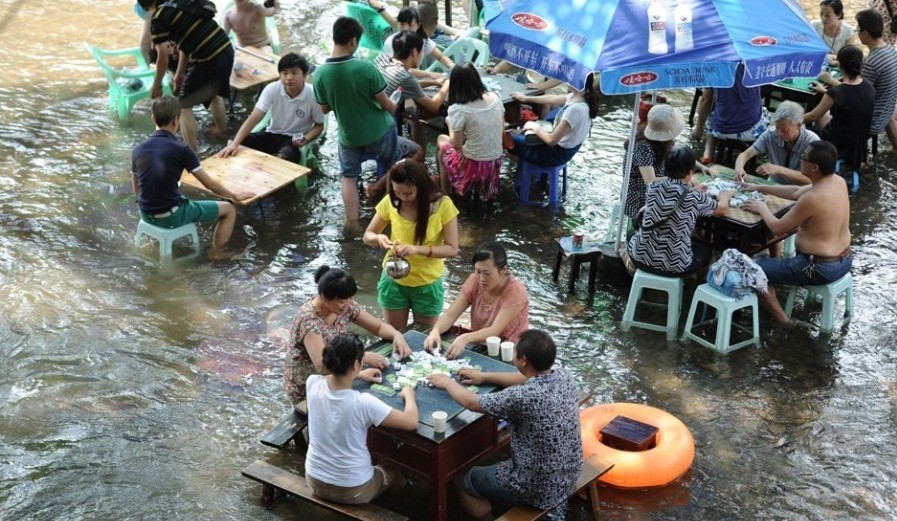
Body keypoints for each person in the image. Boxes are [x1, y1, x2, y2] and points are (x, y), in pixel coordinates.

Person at [427, 330, 582, 518]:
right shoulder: (565, 376)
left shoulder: (521, 396)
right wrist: (484, 376)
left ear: (523, 360)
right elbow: (524, 378)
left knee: (462, 478)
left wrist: (447, 382)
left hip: (535, 487)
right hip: (570, 472)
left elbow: (472, 403)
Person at [740, 140, 852, 326]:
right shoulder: (837, 181)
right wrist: (759, 188)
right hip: (844, 260)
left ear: (814, 167)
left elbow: (776, 228)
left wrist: (762, 208)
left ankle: (784, 321)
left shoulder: (813, 198)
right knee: (772, 264)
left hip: (817, 268)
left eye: (803, 158)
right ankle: (780, 284)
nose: (801, 160)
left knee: (753, 269)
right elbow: (796, 191)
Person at [131, 96, 253, 260]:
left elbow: (136, 189)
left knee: (179, 197)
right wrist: (234, 196)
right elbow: (209, 184)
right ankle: (217, 252)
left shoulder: (138, 149)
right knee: (229, 209)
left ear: (153, 118)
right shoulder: (181, 149)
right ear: (176, 120)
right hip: (170, 216)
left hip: (145, 213)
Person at [305, 334, 418, 504]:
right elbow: (411, 422)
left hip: (314, 481)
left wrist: (358, 375)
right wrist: (409, 396)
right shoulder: (362, 402)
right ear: (356, 364)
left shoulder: (312, 383)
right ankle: (410, 501)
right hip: (352, 490)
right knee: (392, 470)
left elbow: (330, 379)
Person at [285, 266, 412, 410]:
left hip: (339, 371)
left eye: (351, 298)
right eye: (342, 301)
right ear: (324, 297)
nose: (348, 304)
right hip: (309, 386)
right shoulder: (308, 320)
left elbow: (378, 327)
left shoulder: (346, 306)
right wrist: (361, 362)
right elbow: (322, 366)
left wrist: (396, 334)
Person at [314, 17, 401, 222]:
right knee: (392, 167)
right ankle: (390, 215)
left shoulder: (319, 74)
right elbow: (386, 105)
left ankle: (352, 223)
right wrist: (395, 103)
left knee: (349, 177)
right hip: (379, 131)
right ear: (353, 41)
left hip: (349, 136)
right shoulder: (366, 68)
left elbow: (324, 109)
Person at [362, 160, 460, 330]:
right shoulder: (391, 201)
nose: (402, 198)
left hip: (427, 284)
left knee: (424, 338)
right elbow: (367, 235)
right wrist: (378, 239)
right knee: (394, 336)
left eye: (408, 193)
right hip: (394, 280)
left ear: (420, 187)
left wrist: (417, 250)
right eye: (397, 192)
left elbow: (452, 249)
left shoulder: (442, 205)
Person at [138, 0, 233, 151]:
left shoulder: (159, 17)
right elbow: (186, 42)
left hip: (207, 57)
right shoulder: (178, 3)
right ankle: (221, 131)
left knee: (183, 106)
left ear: (149, 7)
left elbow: (162, 59)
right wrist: (180, 75)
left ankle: (191, 154)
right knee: (213, 92)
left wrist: (157, 86)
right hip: (225, 49)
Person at [628, 147, 732, 276]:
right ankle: (695, 283)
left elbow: (673, 192)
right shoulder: (694, 197)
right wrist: (725, 197)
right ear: (690, 171)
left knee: (633, 234)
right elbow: (722, 210)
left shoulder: (653, 186)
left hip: (639, 258)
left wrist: (694, 190)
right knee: (706, 249)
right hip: (673, 266)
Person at [425, 242, 529, 358]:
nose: (481, 279)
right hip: (481, 345)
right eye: (478, 271)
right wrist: (435, 331)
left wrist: (465, 338)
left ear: (503, 270)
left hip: (510, 352)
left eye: (487, 273)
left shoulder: (515, 291)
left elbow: (494, 330)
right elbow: (451, 314)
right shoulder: (474, 281)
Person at [217, 53, 325, 162]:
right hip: (271, 134)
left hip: (292, 141)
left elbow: (319, 125)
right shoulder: (272, 89)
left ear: (305, 75)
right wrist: (235, 143)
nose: (289, 78)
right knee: (234, 141)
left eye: (294, 73)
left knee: (283, 157)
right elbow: (254, 117)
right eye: (285, 73)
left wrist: (306, 138)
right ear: (280, 75)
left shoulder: (313, 95)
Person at [373, 30, 447, 161]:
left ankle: (420, 166)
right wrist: (447, 84)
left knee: (414, 119)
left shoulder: (383, 58)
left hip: (374, 113)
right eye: (421, 52)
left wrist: (433, 81)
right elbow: (434, 106)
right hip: (378, 129)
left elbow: (408, 86)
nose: (421, 56)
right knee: (418, 152)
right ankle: (413, 167)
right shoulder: (404, 77)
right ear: (414, 52)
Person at [435, 63, 504, 199]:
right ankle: (481, 189)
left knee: (441, 142)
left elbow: (456, 145)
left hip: (473, 164)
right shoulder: (496, 98)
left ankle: (445, 195)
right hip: (494, 162)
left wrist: (449, 123)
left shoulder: (459, 109)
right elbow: (501, 129)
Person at [505, 72, 600, 167]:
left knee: (505, 135)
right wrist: (525, 98)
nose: (567, 81)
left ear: (577, 83)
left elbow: (551, 140)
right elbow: (552, 98)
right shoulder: (580, 98)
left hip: (552, 155)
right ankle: (519, 159)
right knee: (518, 132)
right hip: (563, 151)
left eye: (570, 79)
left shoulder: (575, 109)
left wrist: (534, 126)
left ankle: (513, 163)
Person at [805, 45, 875, 164]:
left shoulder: (836, 93)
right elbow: (851, 93)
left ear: (840, 65)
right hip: (859, 143)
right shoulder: (869, 86)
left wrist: (791, 119)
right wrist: (826, 90)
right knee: (826, 118)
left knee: (806, 132)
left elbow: (812, 116)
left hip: (837, 143)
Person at [691, 64, 766, 164]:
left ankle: (708, 153)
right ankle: (747, 156)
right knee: (764, 111)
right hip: (750, 128)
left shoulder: (713, 66)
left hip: (722, 128)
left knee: (713, 117)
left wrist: (698, 128)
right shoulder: (753, 62)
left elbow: (706, 100)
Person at [734, 101, 819, 186]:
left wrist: (779, 170)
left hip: (801, 190)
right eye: (777, 128)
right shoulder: (771, 134)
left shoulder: (812, 142)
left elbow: (813, 180)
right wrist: (739, 169)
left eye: (785, 130)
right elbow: (745, 154)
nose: (780, 133)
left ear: (799, 126)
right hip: (773, 185)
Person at [624, 104, 686, 218]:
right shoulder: (642, 147)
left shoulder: (663, 142)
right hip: (640, 200)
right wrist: (681, 180)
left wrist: (699, 166)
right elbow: (650, 181)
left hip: (658, 189)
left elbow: (676, 153)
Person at [371, 2, 454, 78]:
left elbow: (440, 57)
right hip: (396, 79)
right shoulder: (393, 42)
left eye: (410, 25)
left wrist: (452, 67)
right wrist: (432, 75)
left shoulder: (423, 40)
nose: (405, 29)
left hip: (411, 79)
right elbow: (401, 71)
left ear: (418, 25)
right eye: (402, 24)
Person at [811, 0, 859, 65]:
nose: (823, 18)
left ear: (839, 15)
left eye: (828, 16)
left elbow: (849, 58)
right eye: (821, 14)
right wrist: (825, 59)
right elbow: (809, 50)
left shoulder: (849, 32)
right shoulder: (814, 26)